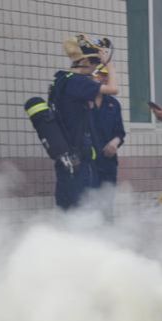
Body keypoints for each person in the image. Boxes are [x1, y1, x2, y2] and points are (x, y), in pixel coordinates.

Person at [52, 35, 118, 210]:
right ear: (87, 62)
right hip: (78, 156)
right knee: (83, 209)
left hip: (66, 155)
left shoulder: (62, 80)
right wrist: (109, 64)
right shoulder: (77, 82)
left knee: (69, 209)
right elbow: (113, 89)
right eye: (96, 64)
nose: (97, 69)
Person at [90, 66, 125, 220]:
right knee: (88, 205)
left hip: (108, 164)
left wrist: (115, 142)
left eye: (106, 75)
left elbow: (120, 132)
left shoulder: (113, 104)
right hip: (88, 163)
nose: (103, 78)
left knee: (107, 207)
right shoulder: (81, 102)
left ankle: (108, 240)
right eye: (99, 75)